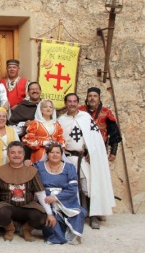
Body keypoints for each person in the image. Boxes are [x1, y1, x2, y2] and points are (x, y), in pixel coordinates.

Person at [58, 93, 115, 229]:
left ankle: (93, 215)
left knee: (88, 185)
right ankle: (76, 215)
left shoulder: (86, 118)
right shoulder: (61, 120)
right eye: (69, 101)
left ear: (78, 103)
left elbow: (95, 138)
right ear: (65, 103)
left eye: (74, 101)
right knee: (71, 187)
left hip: (84, 158)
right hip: (68, 158)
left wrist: (91, 151)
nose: (72, 104)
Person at [0, 141, 56, 242]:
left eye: (19, 152)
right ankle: (10, 229)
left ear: (24, 154)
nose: (16, 155)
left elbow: (41, 194)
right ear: (8, 155)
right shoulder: (0, 171)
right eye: (13, 152)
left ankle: (26, 230)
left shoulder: (32, 171)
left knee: (41, 215)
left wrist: (50, 213)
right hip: (7, 205)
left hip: (28, 205)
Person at [36, 142, 87, 245]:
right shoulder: (39, 166)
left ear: (61, 154)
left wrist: (56, 197)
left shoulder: (69, 167)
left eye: (57, 152)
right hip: (46, 200)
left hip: (65, 199)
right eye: (52, 152)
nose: (55, 155)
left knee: (79, 212)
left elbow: (72, 189)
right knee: (52, 221)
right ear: (47, 154)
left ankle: (71, 232)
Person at [78, 87, 122, 162]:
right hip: (82, 151)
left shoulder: (106, 112)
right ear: (87, 98)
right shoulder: (80, 111)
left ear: (99, 98)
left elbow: (114, 134)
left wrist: (113, 152)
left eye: (95, 96)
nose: (92, 98)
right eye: (90, 96)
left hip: (99, 150)